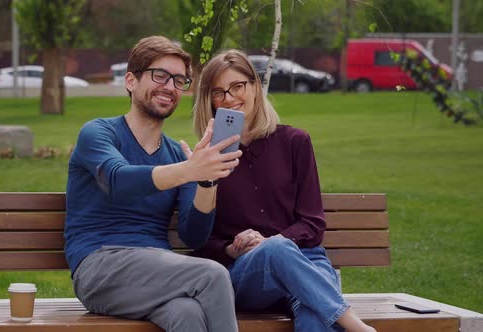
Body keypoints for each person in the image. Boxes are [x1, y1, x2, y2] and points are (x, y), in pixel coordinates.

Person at [64, 36, 242, 332]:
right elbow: (118, 179)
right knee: (212, 275)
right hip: (99, 266)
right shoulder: (99, 133)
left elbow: (194, 236)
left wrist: (206, 179)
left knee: (187, 313)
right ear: (131, 81)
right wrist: (189, 170)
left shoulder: (177, 155)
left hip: (155, 271)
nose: (170, 87)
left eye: (179, 81)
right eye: (160, 75)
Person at [192, 49, 377, 332]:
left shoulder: (295, 142)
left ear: (254, 86)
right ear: (210, 101)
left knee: (315, 314)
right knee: (279, 252)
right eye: (219, 92)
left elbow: (313, 224)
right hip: (248, 273)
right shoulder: (208, 157)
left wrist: (270, 241)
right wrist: (231, 248)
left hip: (306, 259)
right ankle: (356, 326)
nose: (229, 98)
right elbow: (201, 240)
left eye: (237, 86)